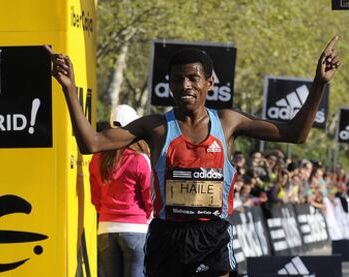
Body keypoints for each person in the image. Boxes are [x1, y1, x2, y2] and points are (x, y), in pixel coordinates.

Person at [45, 35, 340, 277]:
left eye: (193, 78)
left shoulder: (228, 122)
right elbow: (90, 143)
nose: (185, 85)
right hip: (167, 237)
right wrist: (69, 90)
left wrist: (319, 85)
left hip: (212, 235)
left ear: (209, 83)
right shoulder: (157, 127)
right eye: (177, 79)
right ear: (169, 84)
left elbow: (295, 134)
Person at [89, 104, 152, 277]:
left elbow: (95, 198)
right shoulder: (141, 159)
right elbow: (150, 198)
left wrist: (106, 214)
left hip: (105, 228)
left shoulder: (96, 158)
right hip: (136, 229)